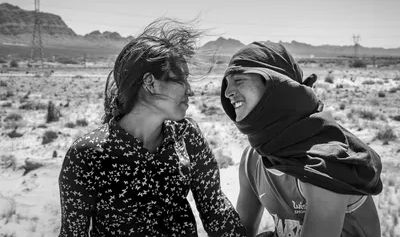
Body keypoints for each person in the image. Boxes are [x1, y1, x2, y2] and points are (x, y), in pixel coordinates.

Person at [58, 18, 247, 237]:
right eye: (181, 80)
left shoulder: (187, 136)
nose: (190, 91)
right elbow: (72, 233)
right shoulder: (87, 155)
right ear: (150, 82)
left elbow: (215, 211)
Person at [220, 41, 382, 237]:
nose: (227, 93)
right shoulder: (252, 159)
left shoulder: (324, 162)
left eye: (238, 81)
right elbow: (242, 232)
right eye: (226, 84)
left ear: (277, 86)